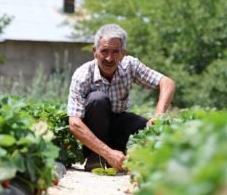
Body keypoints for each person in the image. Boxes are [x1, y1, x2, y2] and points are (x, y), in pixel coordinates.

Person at [67, 23, 175, 172]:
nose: (109, 58)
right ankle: (96, 159)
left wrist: (158, 114)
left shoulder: (130, 65)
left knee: (152, 129)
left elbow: (167, 82)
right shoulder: (83, 75)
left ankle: (131, 159)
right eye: (104, 51)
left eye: (115, 52)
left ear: (123, 53)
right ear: (95, 51)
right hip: (93, 134)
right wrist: (107, 152)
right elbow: (74, 124)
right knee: (97, 99)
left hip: (118, 125)